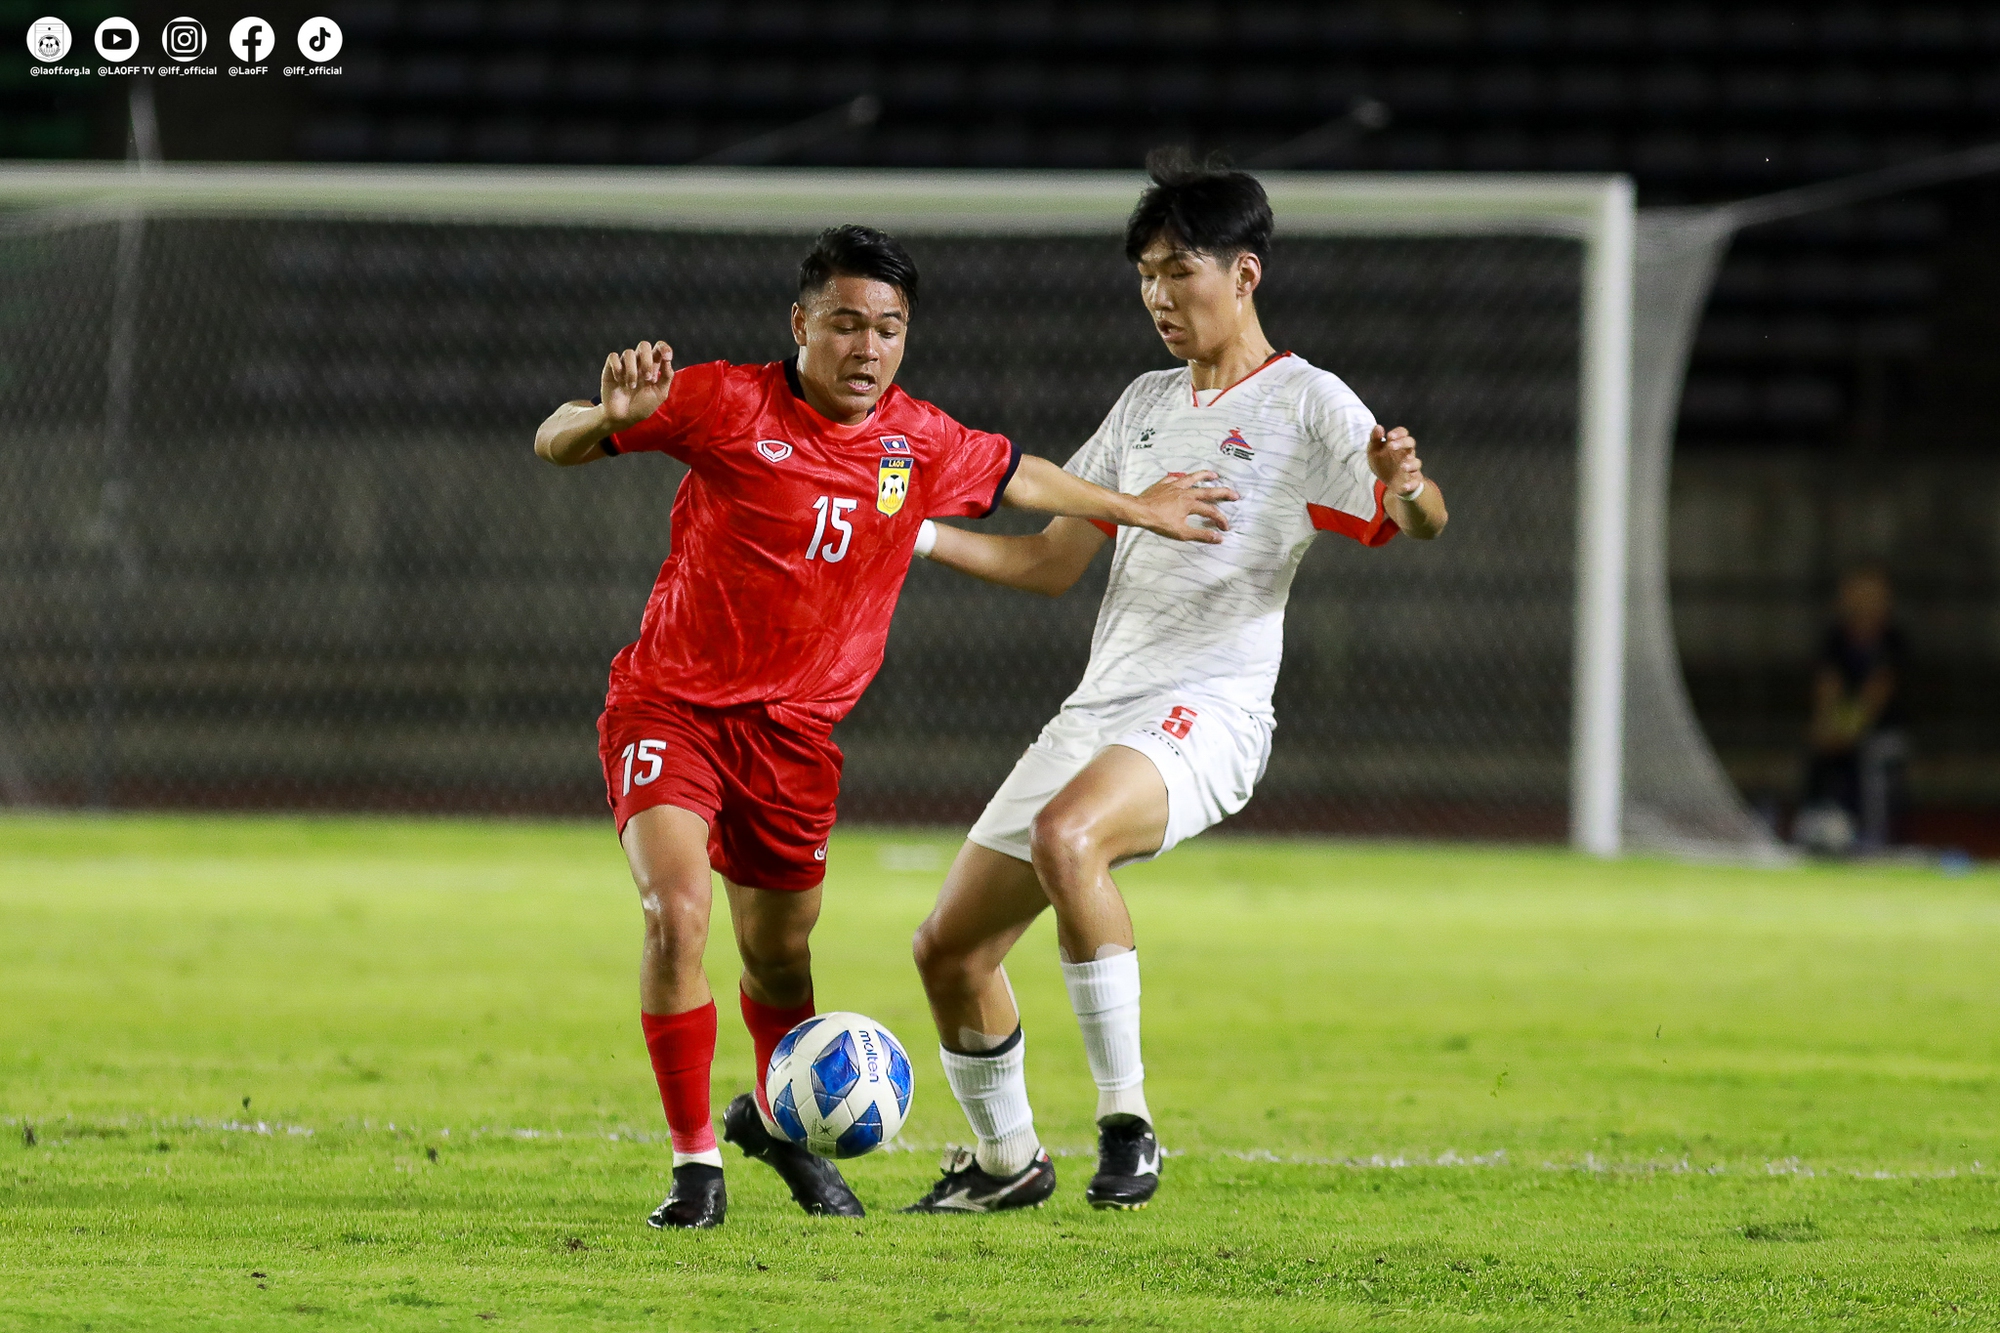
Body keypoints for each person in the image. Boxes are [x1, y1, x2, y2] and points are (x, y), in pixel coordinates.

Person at [532, 225, 1233, 1230]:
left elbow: (1018, 476)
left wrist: (1140, 508)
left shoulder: (915, 439)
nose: (867, 346)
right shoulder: (724, 399)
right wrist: (600, 418)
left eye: (888, 328)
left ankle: (782, 1130)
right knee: (677, 913)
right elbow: (555, 438)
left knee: (777, 959)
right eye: (847, 324)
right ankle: (695, 1167)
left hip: (795, 743)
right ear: (800, 324)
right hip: (672, 708)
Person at [900, 152, 1449, 1215]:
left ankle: (1126, 1124)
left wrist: (1409, 485)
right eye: (1144, 274)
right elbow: (1049, 561)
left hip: (1211, 708)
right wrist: (917, 535)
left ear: (1244, 274)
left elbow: (1412, 521)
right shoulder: (1144, 402)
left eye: (1178, 272)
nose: (1157, 295)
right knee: (948, 948)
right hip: (1099, 710)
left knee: (1069, 837)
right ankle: (1007, 1161)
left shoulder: (1306, 403)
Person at [1800, 566, 1908, 851]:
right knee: (1817, 751)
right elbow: (1828, 689)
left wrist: (1847, 732)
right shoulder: (1835, 639)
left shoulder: (1891, 642)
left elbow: (1875, 696)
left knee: (1868, 756)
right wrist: (1826, 728)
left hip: (1881, 733)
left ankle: (1874, 837)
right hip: (1841, 729)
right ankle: (1811, 825)